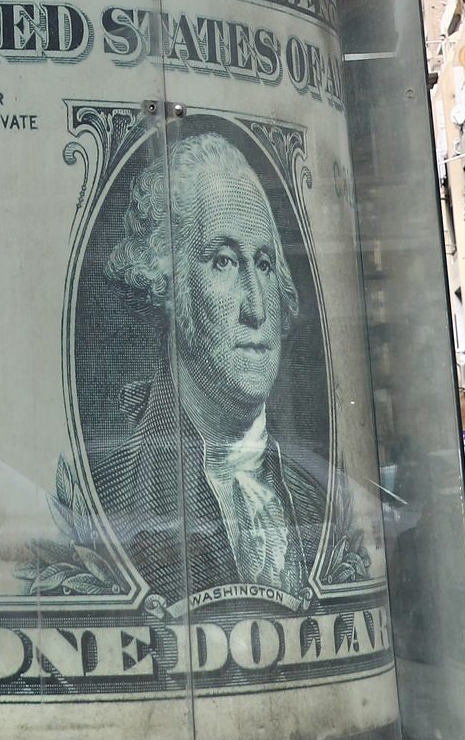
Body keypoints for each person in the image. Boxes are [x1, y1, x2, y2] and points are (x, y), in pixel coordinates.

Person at [94, 131, 325, 604]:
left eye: (263, 264)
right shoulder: (105, 491)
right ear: (167, 284)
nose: (257, 308)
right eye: (223, 261)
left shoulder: (326, 496)